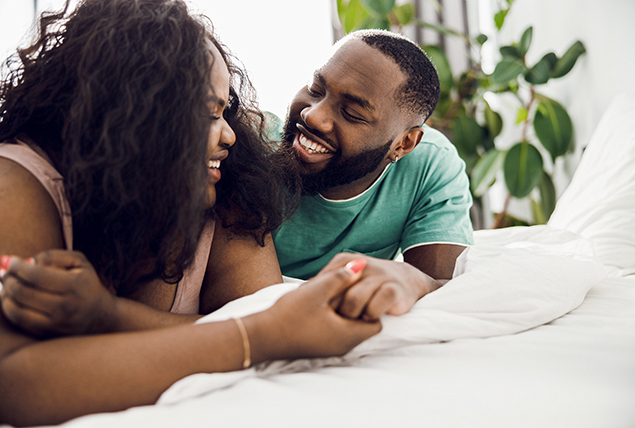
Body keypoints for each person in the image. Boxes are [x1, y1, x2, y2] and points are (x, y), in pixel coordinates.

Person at [0, 1, 380, 425]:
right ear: (129, 112)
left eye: (225, 110)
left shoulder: (226, 191)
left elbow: (270, 321)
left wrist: (109, 316)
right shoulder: (16, 181)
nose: (230, 134)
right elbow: (15, 381)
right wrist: (256, 338)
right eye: (207, 112)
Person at [274, 30, 474, 321]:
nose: (313, 116)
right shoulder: (251, 148)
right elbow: (245, 301)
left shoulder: (430, 163)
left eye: (352, 113)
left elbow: (439, 289)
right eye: (315, 90)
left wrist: (413, 279)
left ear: (404, 144)